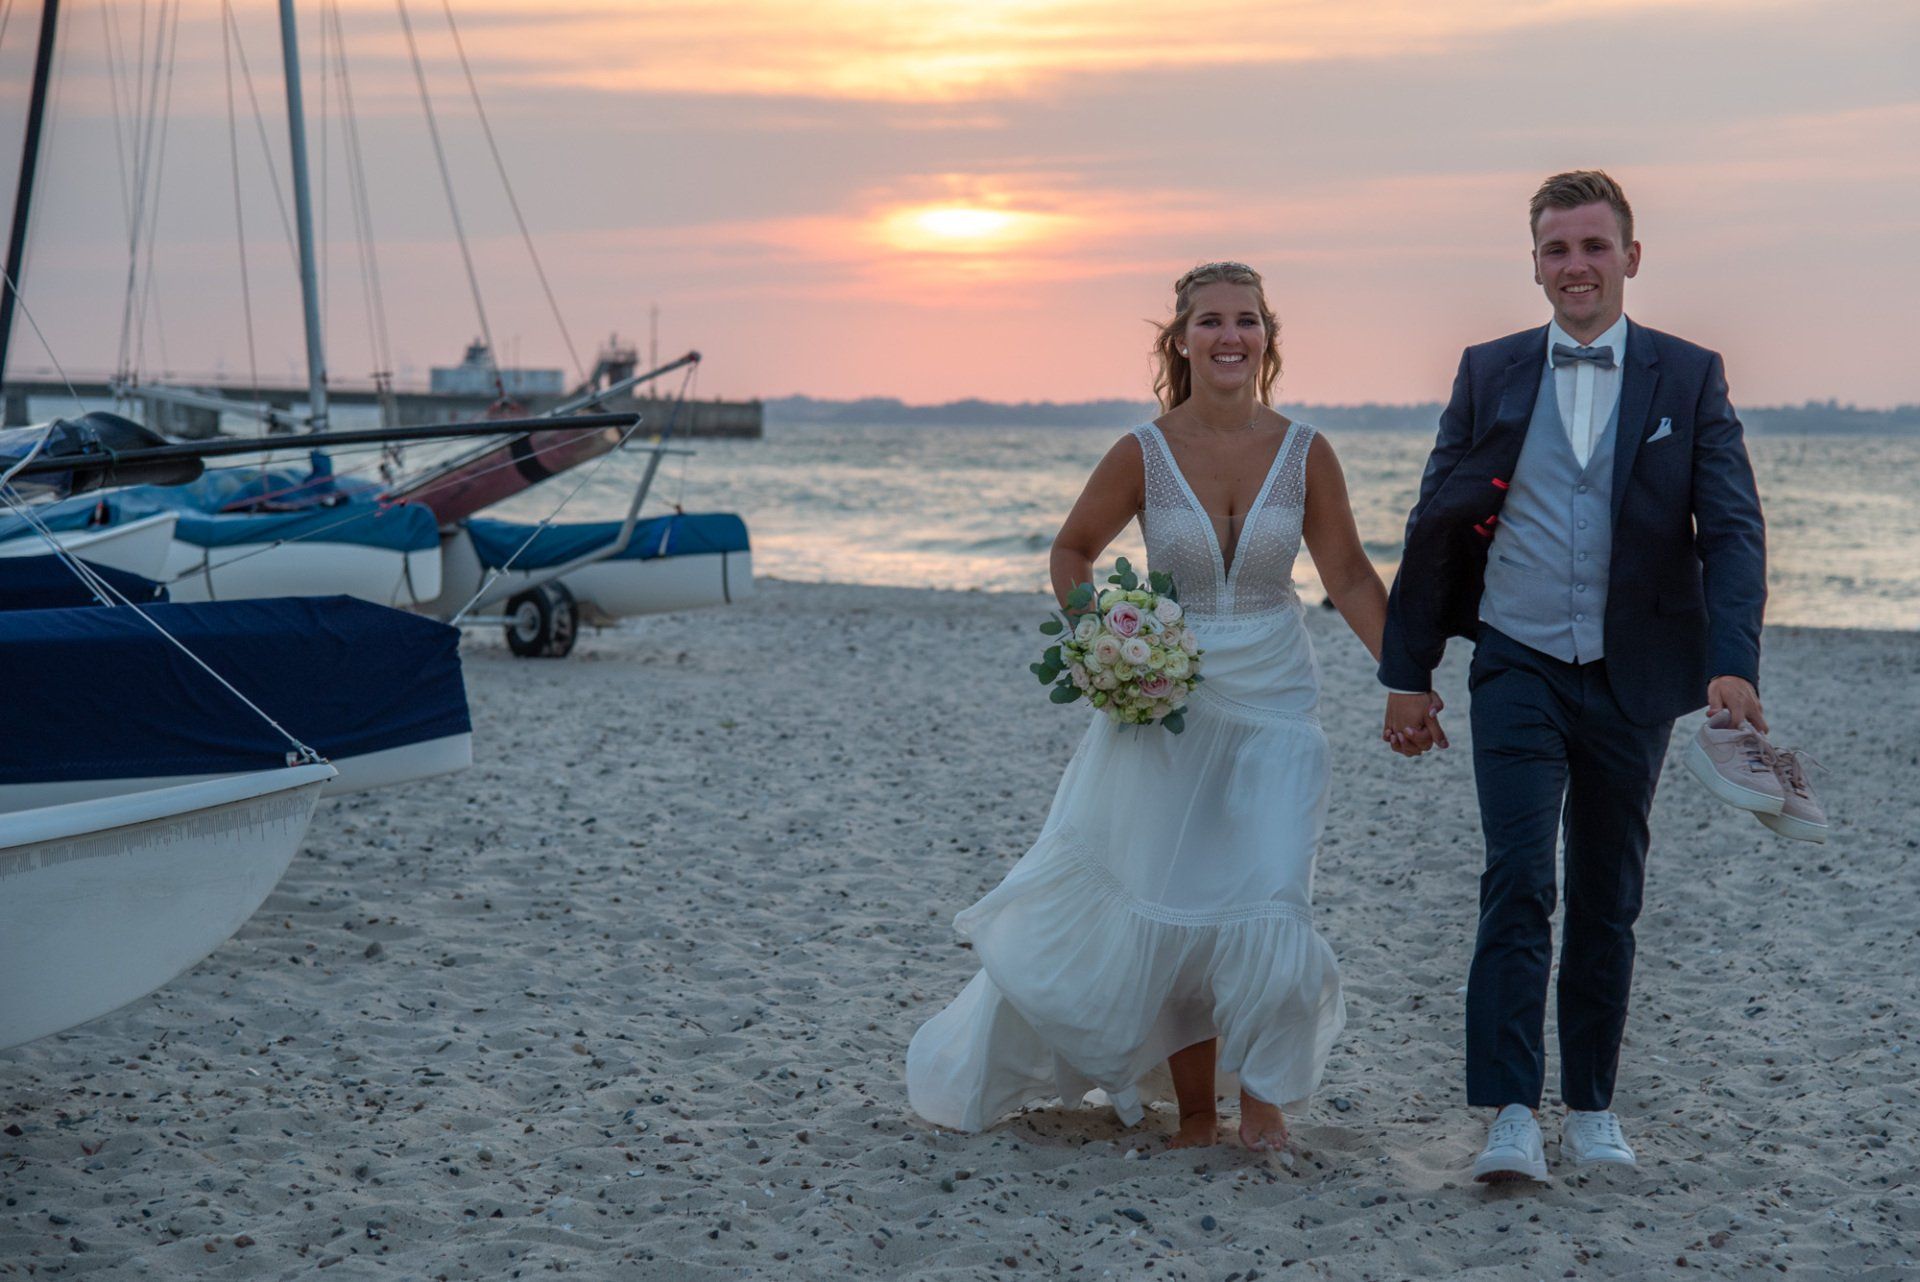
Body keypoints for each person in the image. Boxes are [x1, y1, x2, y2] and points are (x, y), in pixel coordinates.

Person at [907, 261, 1392, 1150]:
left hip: (1279, 698)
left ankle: (1267, 1106)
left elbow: (1351, 575)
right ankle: (1200, 1114)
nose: (1229, 335)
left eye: (1246, 319)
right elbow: (1073, 551)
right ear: (1180, 339)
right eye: (1210, 320)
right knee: (1180, 897)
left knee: (1272, 894)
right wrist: (1107, 642)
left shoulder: (1306, 451)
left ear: (1268, 337)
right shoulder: (1143, 450)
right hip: (1169, 698)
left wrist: (1407, 676)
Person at [1377, 170, 1767, 1182]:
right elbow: (1434, 520)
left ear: (1630, 258)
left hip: (1634, 674)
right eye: (1557, 249)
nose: (1577, 266)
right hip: (1517, 660)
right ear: (1535, 263)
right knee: (1518, 877)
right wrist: (1407, 669)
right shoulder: (1491, 370)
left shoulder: (1687, 375)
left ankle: (1591, 1104)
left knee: (1608, 890)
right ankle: (1510, 1107)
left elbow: (1729, 528)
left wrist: (1732, 663)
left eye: (1595, 247)